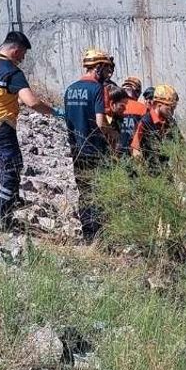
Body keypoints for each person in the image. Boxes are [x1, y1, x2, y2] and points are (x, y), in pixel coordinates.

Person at [0, 32, 57, 229]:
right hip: (1, 128)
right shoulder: (12, 72)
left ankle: (11, 199)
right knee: (11, 170)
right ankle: (2, 217)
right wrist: (53, 112)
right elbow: (32, 102)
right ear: (15, 50)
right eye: (23, 54)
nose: (22, 59)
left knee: (5, 168)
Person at [64, 48, 118, 239]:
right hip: (96, 149)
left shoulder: (70, 89)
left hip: (76, 149)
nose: (107, 73)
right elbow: (101, 123)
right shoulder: (97, 89)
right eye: (106, 68)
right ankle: (100, 236)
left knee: (85, 191)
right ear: (98, 67)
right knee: (101, 191)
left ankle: (88, 234)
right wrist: (114, 134)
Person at [131, 84, 179, 166]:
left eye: (173, 108)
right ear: (159, 105)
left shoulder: (170, 122)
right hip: (149, 168)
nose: (172, 112)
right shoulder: (145, 122)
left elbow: (181, 144)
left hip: (164, 167)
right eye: (170, 108)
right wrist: (140, 164)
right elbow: (135, 148)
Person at [116, 77, 147, 154]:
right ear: (137, 92)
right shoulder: (143, 108)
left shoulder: (114, 106)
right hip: (134, 151)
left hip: (115, 150)